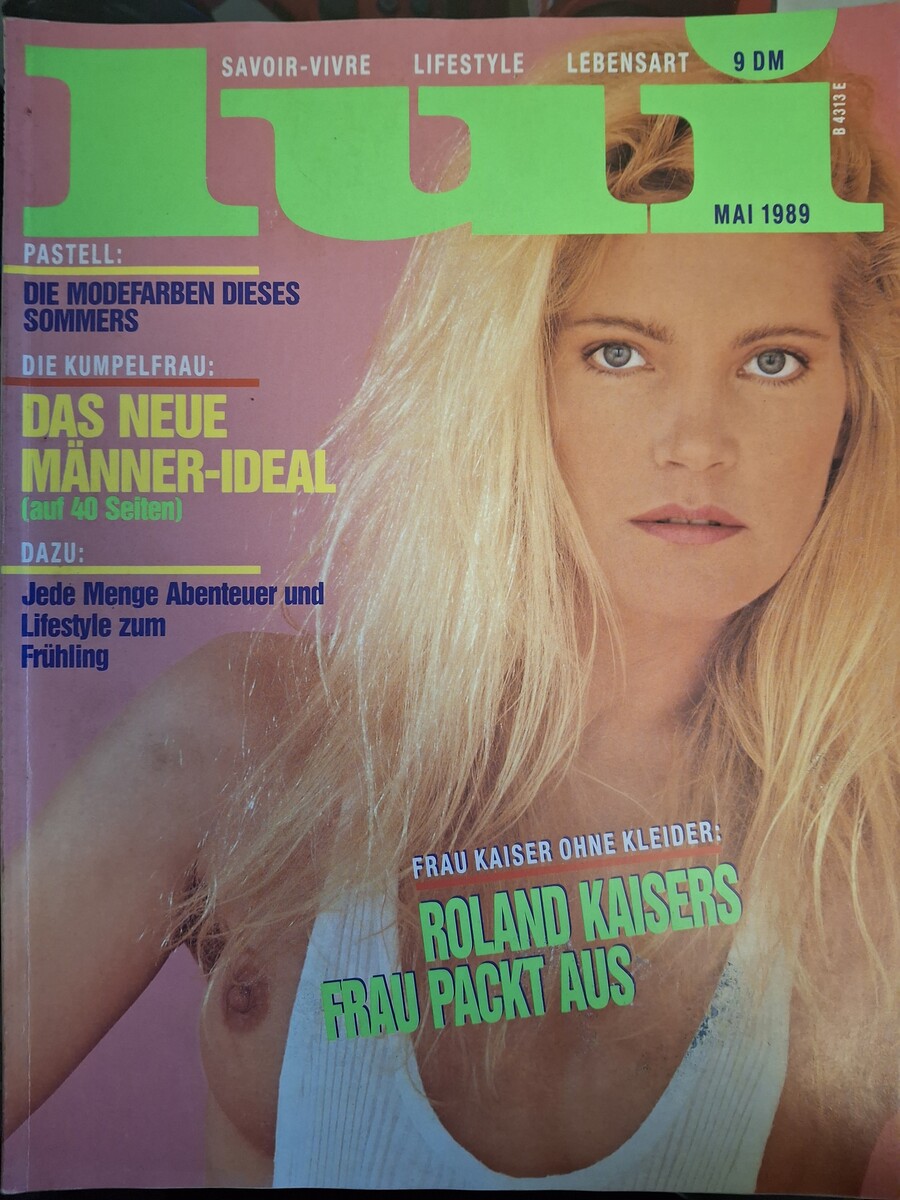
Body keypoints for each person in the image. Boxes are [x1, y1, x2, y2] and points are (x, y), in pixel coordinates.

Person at [3, 31, 898, 1193]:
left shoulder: (864, 849)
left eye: (773, 361)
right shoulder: (245, 740)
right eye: (618, 352)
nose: (697, 442)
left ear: (853, 402)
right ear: (512, 380)